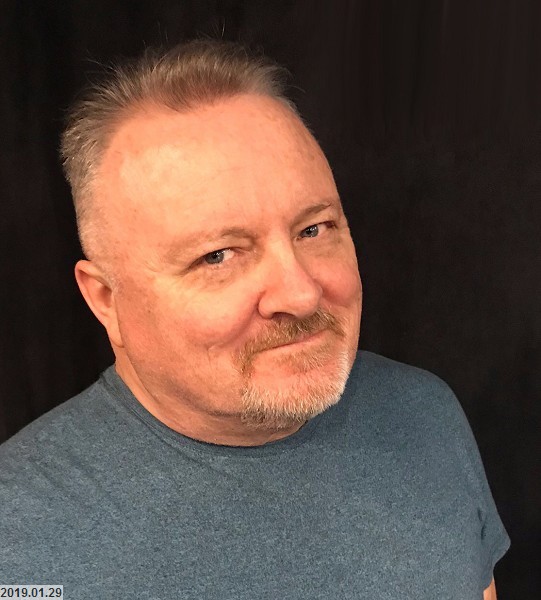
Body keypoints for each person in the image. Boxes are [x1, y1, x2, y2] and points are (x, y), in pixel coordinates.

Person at [0, 39, 509, 599]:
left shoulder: (424, 415)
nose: (301, 294)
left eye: (313, 229)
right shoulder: (19, 535)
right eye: (218, 256)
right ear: (105, 299)